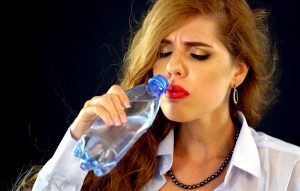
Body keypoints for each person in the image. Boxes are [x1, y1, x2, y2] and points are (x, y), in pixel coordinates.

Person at [19, 0, 300, 190]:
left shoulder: (289, 169)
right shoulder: (120, 158)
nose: (172, 67)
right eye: (163, 52)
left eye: (198, 54)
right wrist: (77, 139)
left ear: (237, 72)